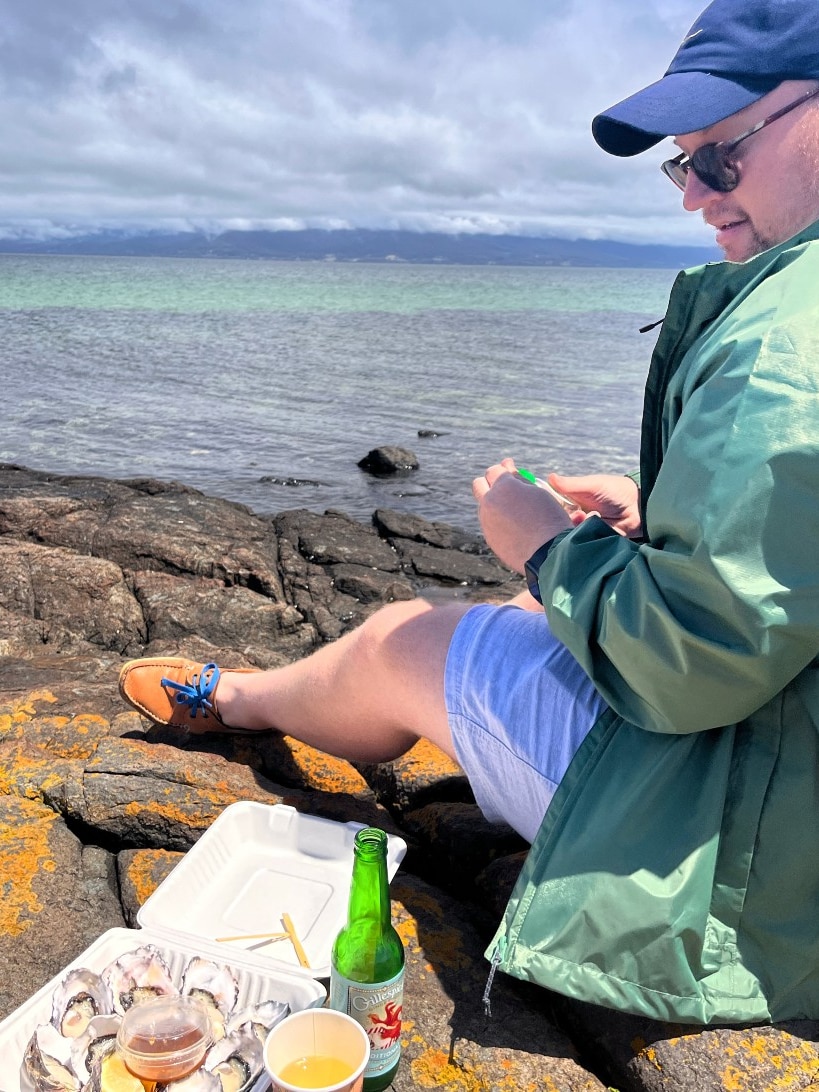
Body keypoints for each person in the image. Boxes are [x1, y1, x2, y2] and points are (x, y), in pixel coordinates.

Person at [119, 0, 819, 1024]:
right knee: (523, 621)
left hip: (748, 883)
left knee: (408, 638)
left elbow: (689, 668)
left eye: (721, 157)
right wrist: (660, 515)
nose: (694, 198)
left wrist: (546, 548)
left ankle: (241, 705)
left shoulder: (783, 355)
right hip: (783, 786)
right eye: (683, 165)